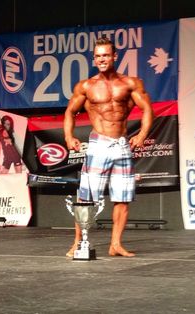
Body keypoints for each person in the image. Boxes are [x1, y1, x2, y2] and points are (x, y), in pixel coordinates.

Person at [64, 37, 153, 257]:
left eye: (106, 55)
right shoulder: (86, 86)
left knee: (123, 197)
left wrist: (142, 134)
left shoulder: (130, 83)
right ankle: (78, 243)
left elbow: (148, 109)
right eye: (98, 56)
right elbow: (69, 112)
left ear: (114, 56)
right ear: (94, 59)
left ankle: (115, 244)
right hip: (98, 144)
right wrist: (68, 136)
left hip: (122, 145)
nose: (102, 59)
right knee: (86, 197)